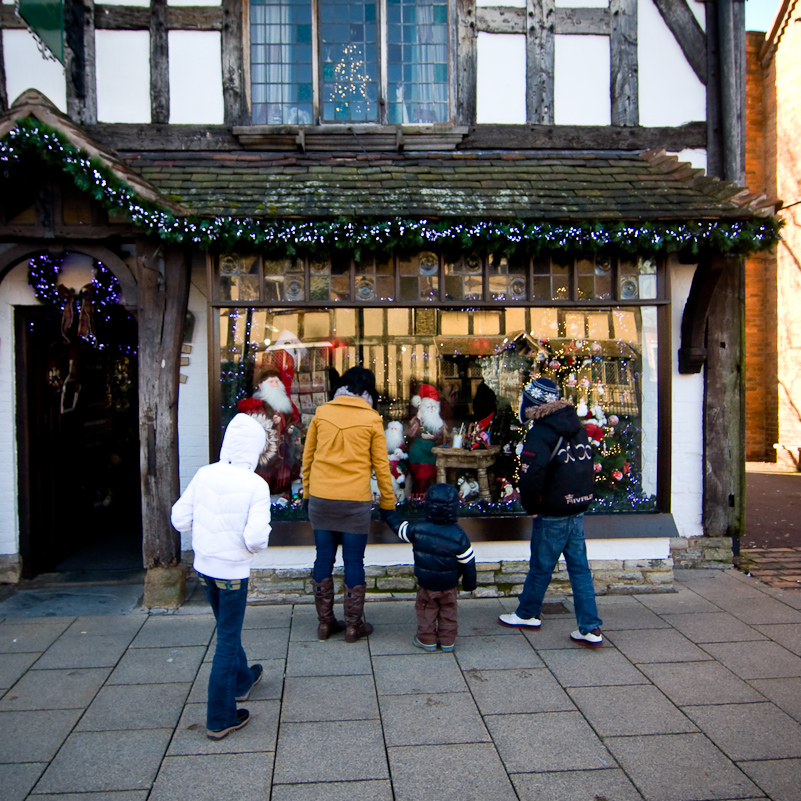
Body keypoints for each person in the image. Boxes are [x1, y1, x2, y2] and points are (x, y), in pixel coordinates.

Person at [171, 413, 272, 739]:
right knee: (227, 640)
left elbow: (179, 519)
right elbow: (256, 538)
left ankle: (243, 680)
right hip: (232, 574)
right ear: (256, 449)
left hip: (204, 569)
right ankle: (220, 716)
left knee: (227, 628)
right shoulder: (256, 484)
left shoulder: (204, 474)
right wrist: (248, 550)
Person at [498, 377, 604, 647]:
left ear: (532, 403)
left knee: (541, 567)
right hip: (576, 507)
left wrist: (532, 507)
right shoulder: (576, 428)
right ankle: (590, 628)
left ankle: (527, 613)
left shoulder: (540, 433)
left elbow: (531, 477)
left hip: (552, 512)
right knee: (580, 569)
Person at [301, 366, 396, 643]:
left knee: (323, 558)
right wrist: (388, 503)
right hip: (354, 501)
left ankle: (325, 624)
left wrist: (307, 493)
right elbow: (381, 467)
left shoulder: (322, 412)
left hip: (320, 498)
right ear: (368, 392)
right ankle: (354, 627)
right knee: (354, 561)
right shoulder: (371, 418)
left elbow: (307, 459)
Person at [383, 483, 477, 651]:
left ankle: (427, 640)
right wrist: (469, 584)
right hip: (448, 584)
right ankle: (448, 641)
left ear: (428, 506)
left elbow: (400, 529)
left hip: (426, 583)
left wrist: (388, 513)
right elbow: (468, 562)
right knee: (448, 610)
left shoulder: (418, 528)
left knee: (426, 609)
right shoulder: (459, 534)